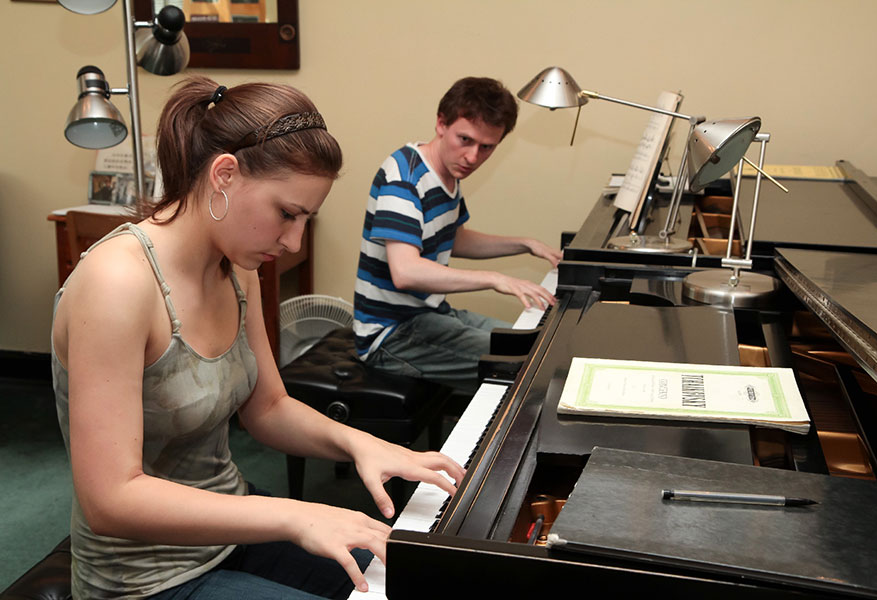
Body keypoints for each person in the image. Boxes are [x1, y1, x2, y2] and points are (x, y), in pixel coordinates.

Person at [50, 76, 464, 600]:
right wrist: (296, 515)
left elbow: (267, 406)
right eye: (287, 214)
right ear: (224, 175)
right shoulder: (117, 284)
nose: (292, 241)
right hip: (143, 579)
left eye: (305, 219)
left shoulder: (236, 265)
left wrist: (364, 444)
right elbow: (110, 500)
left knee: (419, 579)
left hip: (229, 530)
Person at [353, 77, 562, 393]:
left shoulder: (446, 174)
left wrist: (524, 245)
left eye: (487, 147)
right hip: (390, 334)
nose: (473, 157)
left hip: (431, 313)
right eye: (465, 140)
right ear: (441, 123)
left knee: (539, 340)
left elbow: (454, 239)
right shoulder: (405, 178)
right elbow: (405, 271)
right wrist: (495, 279)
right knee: (527, 366)